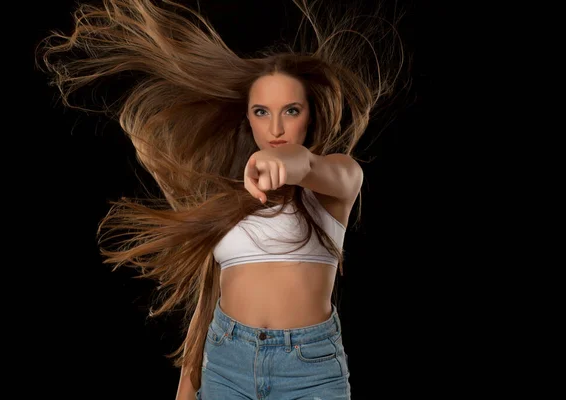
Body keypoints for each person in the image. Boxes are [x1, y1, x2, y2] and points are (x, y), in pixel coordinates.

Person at [37, 0, 404, 398]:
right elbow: (209, 297)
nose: (276, 126)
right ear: (247, 118)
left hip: (308, 370)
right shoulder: (227, 199)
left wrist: (281, 160)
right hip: (226, 360)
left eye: (291, 111)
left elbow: (307, 165)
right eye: (262, 112)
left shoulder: (337, 179)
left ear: (310, 116)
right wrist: (185, 387)